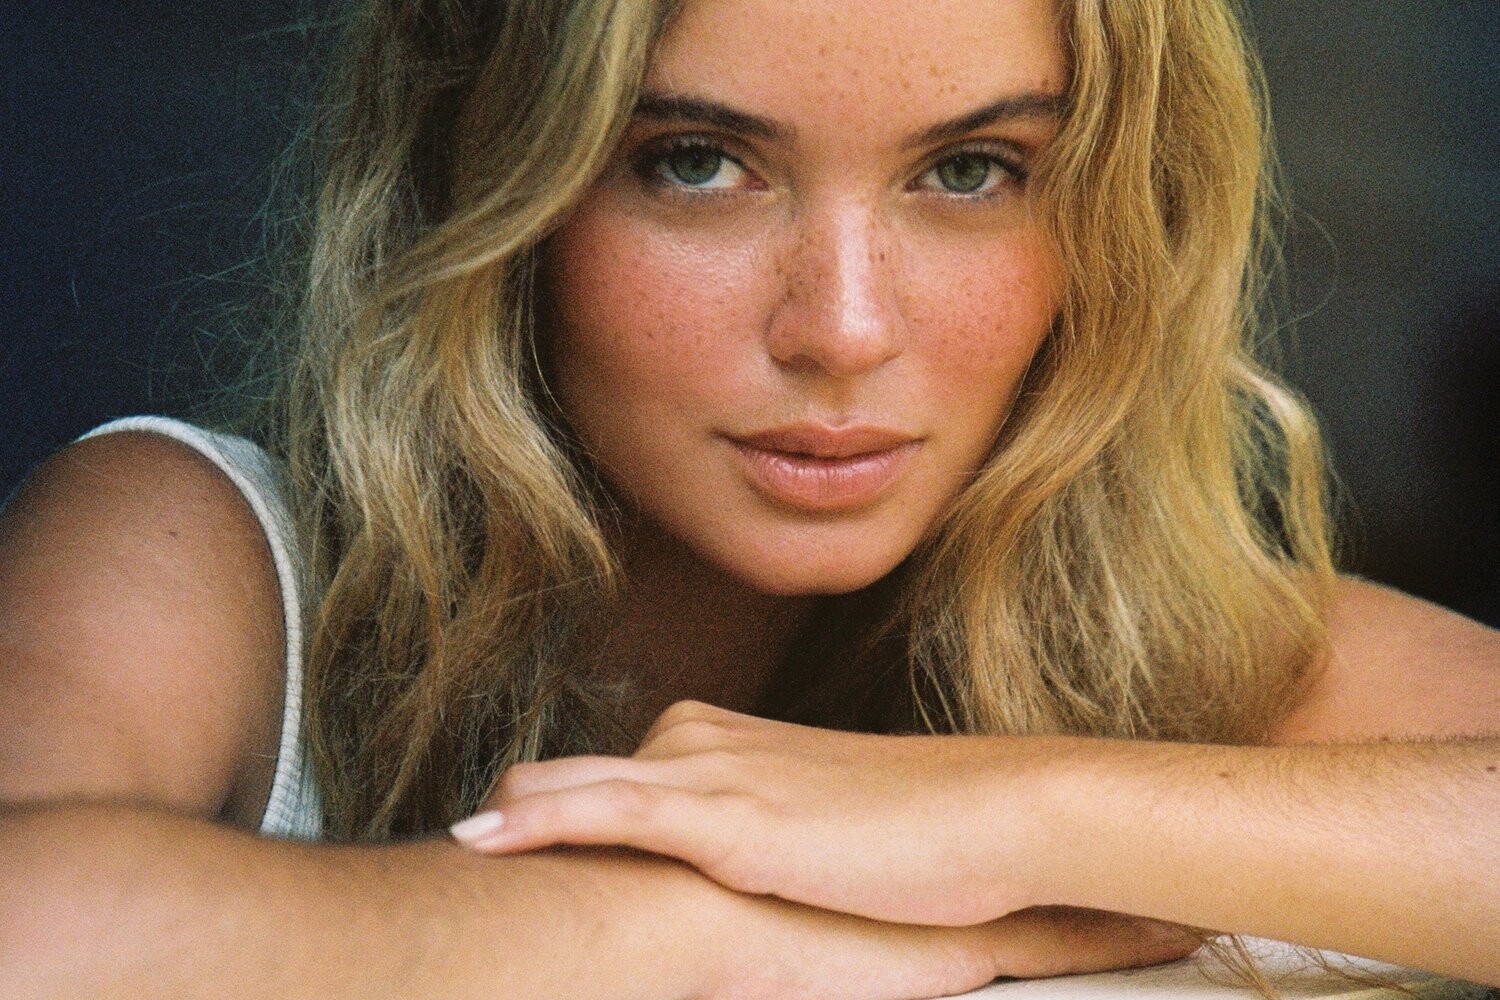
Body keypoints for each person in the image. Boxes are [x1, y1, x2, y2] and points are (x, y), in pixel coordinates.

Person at [1, 0, 1496, 996]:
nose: (842, 328)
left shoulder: (1157, 635)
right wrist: (687, 920)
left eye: (970, 171)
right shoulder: (206, 550)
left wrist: (999, 810)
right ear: (487, 179)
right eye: (697, 163)